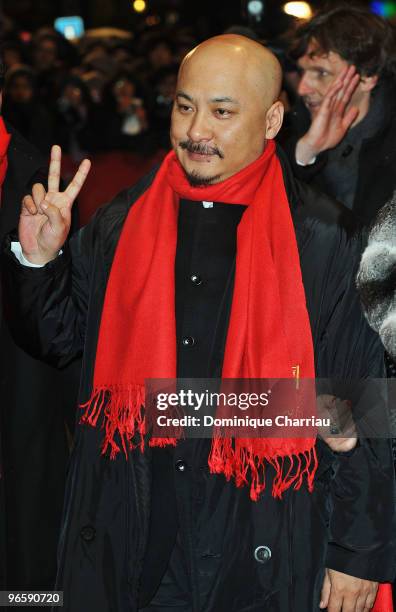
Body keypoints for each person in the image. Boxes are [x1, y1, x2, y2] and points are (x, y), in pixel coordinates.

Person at [1, 35, 395, 612]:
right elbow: (58, 339)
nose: (195, 130)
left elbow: (362, 404)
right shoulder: (123, 219)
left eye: (222, 111)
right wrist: (39, 260)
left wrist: (355, 552)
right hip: (137, 527)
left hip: (261, 533)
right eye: (185, 107)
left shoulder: (322, 236)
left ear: (272, 120)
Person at [0, 63, 80, 593]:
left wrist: (39, 262)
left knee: (27, 584)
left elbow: (60, 338)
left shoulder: (37, 183)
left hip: (18, 434)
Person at [283, 5, 396, 226]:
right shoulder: (291, 129)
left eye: (322, 73)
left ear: (368, 77)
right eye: (302, 71)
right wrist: (306, 150)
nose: (303, 88)